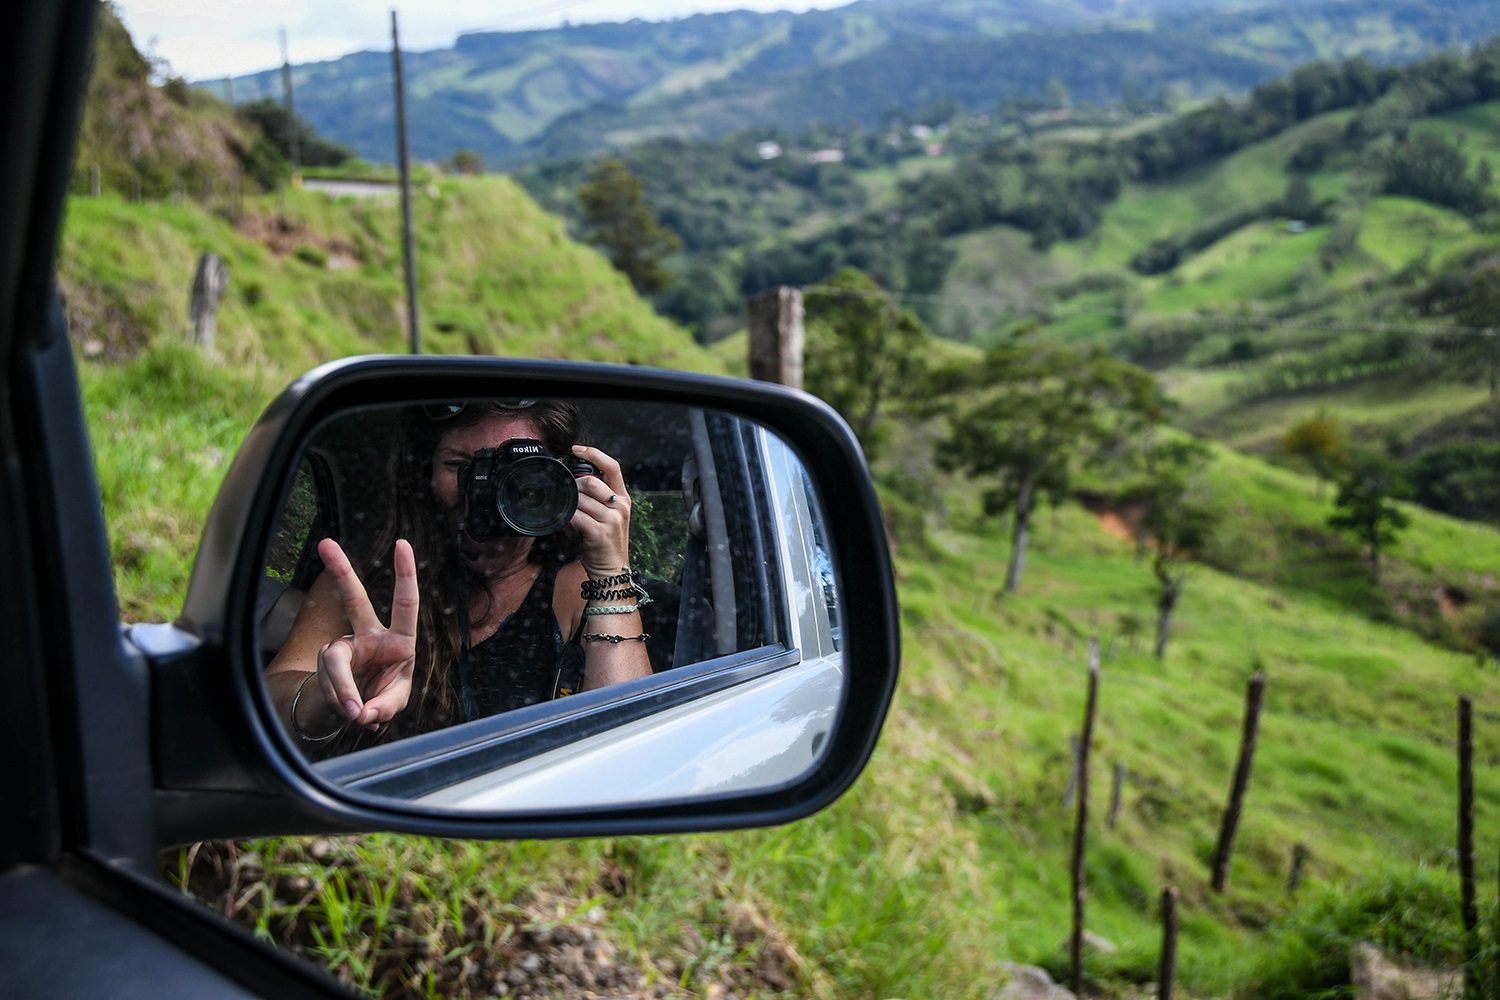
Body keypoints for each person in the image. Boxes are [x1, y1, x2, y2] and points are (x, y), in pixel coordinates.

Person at [264, 399, 652, 752]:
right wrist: (331, 696)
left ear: (562, 482)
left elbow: (624, 746)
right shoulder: (360, 582)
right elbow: (269, 706)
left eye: (518, 474)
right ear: (424, 474)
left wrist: (610, 568)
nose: (483, 492)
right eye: (460, 466)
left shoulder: (578, 588)